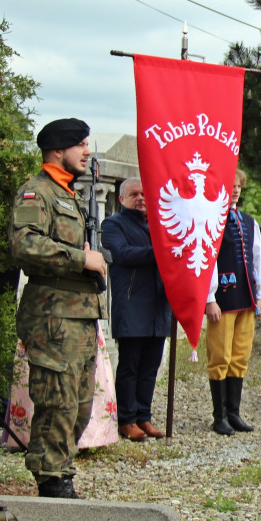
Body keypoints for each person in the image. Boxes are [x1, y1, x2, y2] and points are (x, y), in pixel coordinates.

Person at [10, 118, 107, 498]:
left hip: (80, 316)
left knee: (79, 405)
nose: (86, 151)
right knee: (56, 402)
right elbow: (25, 245)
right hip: (52, 317)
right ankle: (52, 483)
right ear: (57, 150)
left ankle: (60, 473)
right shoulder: (36, 194)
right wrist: (80, 259)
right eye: (80, 145)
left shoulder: (70, 195)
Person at [101, 177, 171, 442]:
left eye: (144, 193)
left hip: (157, 306)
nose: (140, 198)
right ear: (121, 199)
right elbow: (122, 254)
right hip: (131, 304)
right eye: (134, 194)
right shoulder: (112, 224)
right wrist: (160, 252)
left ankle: (144, 415)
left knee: (151, 366)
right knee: (130, 366)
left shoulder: (158, 224)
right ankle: (126, 419)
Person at [205, 169, 261, 436]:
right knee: (220, 356)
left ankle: (234, 413)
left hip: (246, 296)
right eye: (230, 185)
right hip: (223, 298)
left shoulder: (249, 222)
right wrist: (209, 298)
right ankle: (219, 417)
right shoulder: (210, 219)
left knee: (240, 355)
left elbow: (258, 258)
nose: (235, 190)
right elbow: (207, 259)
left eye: (238, 185)